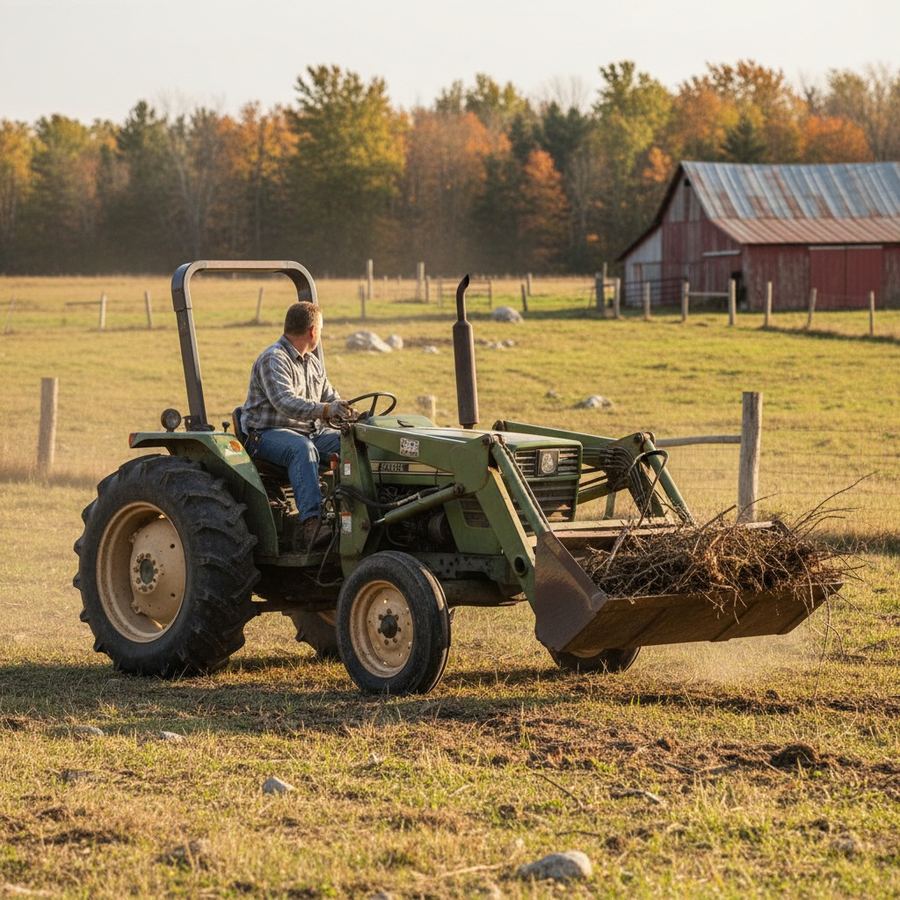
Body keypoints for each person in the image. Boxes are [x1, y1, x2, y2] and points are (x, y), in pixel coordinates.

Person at [241, 302, 353, 551]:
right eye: (321, 330)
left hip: (309, 433)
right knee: (302, 449)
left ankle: (351, 514)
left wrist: (347, 412)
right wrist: (325, 410)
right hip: (266, 436)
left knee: (352, 443)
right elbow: (285, 402)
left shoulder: (312, 363)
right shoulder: (273, 359)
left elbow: (330, 396)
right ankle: (311, 524)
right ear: (313, 331)